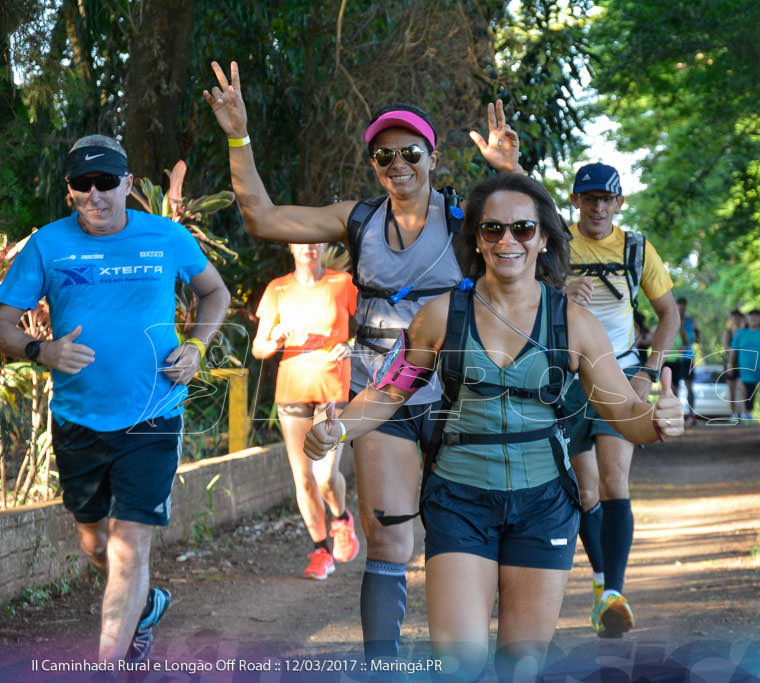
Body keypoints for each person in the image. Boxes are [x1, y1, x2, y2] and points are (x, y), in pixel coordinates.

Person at [303, 173, 685, 680]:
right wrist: (338, 429)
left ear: (544, 237)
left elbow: (625, 419)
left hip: (543, 506)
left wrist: (658, 419)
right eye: (493, 230)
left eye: (523, 229)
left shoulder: (574, 324)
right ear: (476, 240)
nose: (508, 241)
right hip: (460, 501)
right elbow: (390, 391)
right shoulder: (440, 316)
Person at [203, 60, 522, 660]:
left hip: (461, 399)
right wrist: (238, 136)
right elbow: (262, 218)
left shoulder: (467, 218)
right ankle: (383, 666)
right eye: (384, 157)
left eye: (410, 154)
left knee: (466, 540)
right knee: (389, 541)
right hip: (383, 400)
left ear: (432, 158)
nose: (398, 166)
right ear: (373, 165)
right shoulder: (357, 219)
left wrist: (513, 174)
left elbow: (538, 236)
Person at [0, 135, 230, 663]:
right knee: (95, 545)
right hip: (78, 417)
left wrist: (196, 345)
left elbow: (214, 292)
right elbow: (4, 324)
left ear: (128, 184)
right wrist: (42, 350)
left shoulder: (167, 237)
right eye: (84, 184)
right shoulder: (47, 245)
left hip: (154, 412)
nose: (96, 195)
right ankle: (145, 607)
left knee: (129, 550)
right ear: (70, 191)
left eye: (107, 182)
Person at [561, 162, 679, 638]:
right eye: (589, 199)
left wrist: (648, 372)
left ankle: (614, 593)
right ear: (576, 202)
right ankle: (599, 581)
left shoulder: (636, 247)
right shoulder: (556, 242)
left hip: (622, 372)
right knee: (585, 492)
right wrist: (559, 289)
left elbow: (667, 313)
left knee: (614, 481)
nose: (598, 207)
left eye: (607, 199)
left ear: (619, 204)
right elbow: (521, 293)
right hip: (567, 375)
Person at [252, 242, 360, 580]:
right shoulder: (278, 289)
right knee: (304, 478)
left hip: (333, 389)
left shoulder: (342, 283)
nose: (309, 247)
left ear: (324, 245)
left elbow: (371, 327)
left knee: (326, 477)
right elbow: (258, 347)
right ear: (290, 246)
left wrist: (350, 345)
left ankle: (341, 519)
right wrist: (275, 341)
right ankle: (320, 550)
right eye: (301, 241)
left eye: (315, 241)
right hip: (292, 388)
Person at [674, 297, 702, 426]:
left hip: (688, 358)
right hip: (673, 358)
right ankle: (675, 415)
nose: (682, 307)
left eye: (683, 305)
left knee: (689, 387)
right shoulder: (672, 319)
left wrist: (697, 336)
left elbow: (697, 338)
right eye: (679, 305)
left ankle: (691, 415)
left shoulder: (691, 321)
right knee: (673, 388)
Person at [722, 309, 746, 420]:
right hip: (731, 364)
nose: (736, 319)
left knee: (742, 389)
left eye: (738, 317)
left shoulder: (744, 332)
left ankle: (742, 413)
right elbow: (726, 348)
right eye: (734, 317)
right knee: (732, 391)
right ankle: (734, 413)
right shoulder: (728, 332)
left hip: (743, 364)